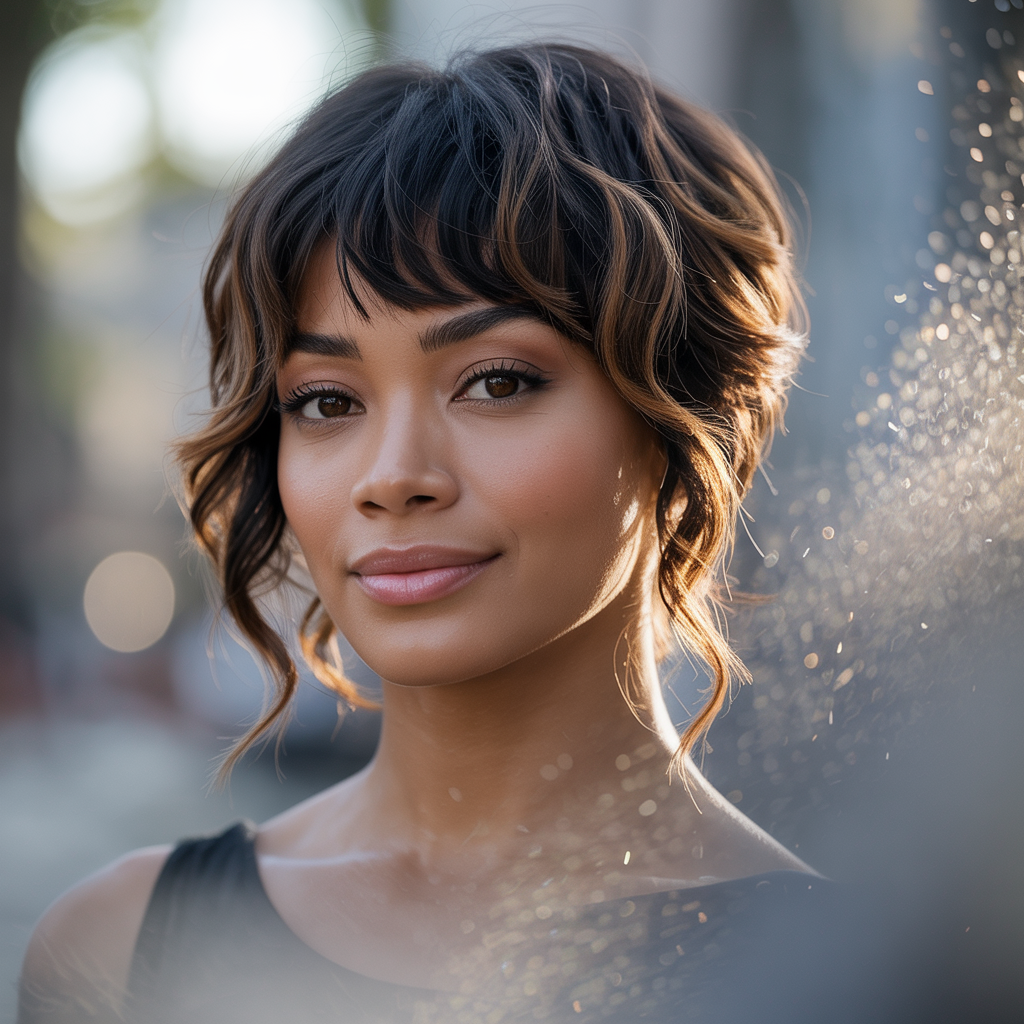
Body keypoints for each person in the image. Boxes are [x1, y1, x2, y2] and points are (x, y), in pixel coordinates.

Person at [18, 42, 841, 1024]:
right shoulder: (118, 952)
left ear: (677, 408)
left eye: (496, 382)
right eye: (326, 400)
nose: (393, 476)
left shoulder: (878, 971)